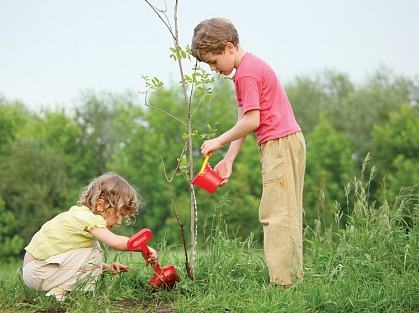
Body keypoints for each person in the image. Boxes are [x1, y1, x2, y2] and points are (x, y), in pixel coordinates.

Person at [191, 18, 306, 287]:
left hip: (279, 144)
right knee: (285, 211)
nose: (213, 69)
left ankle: (284, 284)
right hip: (281, 143)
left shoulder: (247, 73)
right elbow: (244, 120)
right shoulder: (244, 72)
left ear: (229, 48)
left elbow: (253, 121)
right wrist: (229, 159)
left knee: (277, 214)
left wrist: (218, 141)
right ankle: (291, 279)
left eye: (213, 62)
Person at [22, 172, 158, 301]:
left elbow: (75, 259)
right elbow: (116, 242)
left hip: (39, 271)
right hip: (37, 271)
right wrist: (142, 247)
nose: (119, 222)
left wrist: (106, 267)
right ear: (100, 205)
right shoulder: (88, 219)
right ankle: (66, 294)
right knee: (93, 253)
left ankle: (57, 293)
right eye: (118, 215)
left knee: (94, 251)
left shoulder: (82, 217)